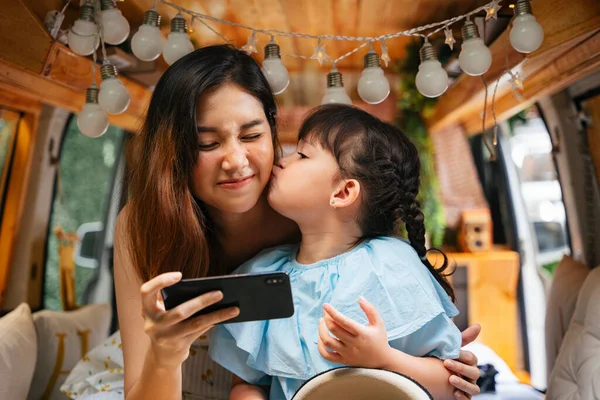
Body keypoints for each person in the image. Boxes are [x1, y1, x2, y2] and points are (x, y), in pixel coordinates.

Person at [114, 44, 481, 400]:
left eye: (252, 135)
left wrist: (423, 362)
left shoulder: (313, 214)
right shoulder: (147, 224)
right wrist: (164, 354)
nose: (236, 161)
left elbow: (426, 356)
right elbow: (246, 382)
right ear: (173, 151)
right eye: (207, 143)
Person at [208, 104, 465, 400]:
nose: (282, 160)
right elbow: (246, 384)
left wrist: (383, 358)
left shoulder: (390, 267)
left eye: (302, 155)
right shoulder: (261, 275)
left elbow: (452, 384)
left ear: (343, 193)